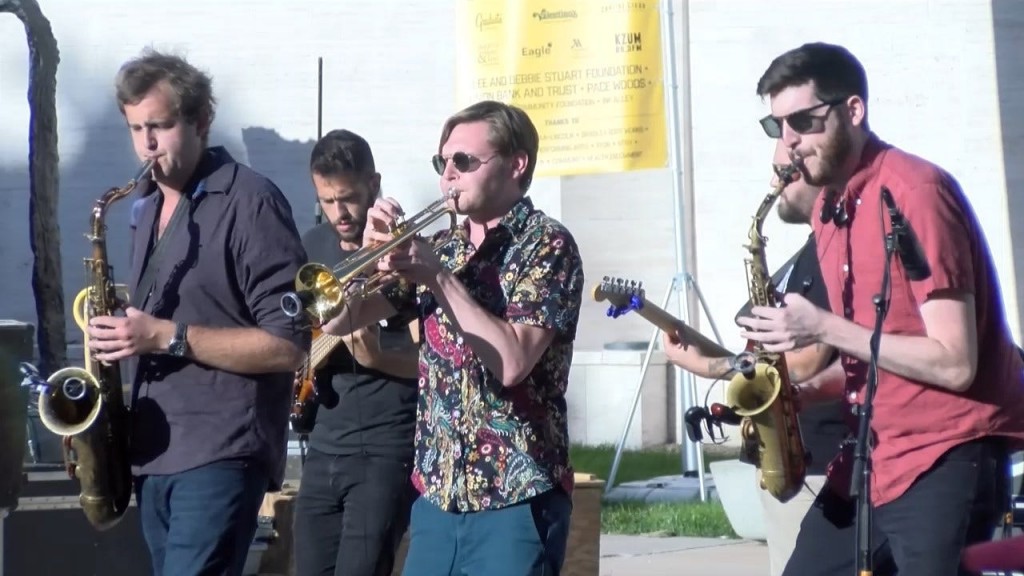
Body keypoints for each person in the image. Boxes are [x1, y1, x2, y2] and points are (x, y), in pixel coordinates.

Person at [738, 41, 1024, 576]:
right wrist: (800, 395)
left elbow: (954, 362)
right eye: (777, 125)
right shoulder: (829, 209)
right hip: (873, 453)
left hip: (945, 453)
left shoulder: (915, 192)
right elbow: (876, 357)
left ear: (853, 110)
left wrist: (823, 327)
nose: (789, 141)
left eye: (803, 121)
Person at [318, 100, 584, 576]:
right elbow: (339, 321)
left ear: (516, 164)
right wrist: (367, 258)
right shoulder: (444, 246)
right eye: (442, 163)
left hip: (515, 495)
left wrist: (438, 277)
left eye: (464, 161)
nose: (448, 176)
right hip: (438, 497)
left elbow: (512, 363)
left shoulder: (547, 245)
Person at [85, 49, 309, 576]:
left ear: (201, 120)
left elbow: (288, 344)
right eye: (136, 128)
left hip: (220, 448)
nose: (147, 144)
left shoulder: (251, 201)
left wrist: (165, 335)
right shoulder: (143, 206)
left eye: (160, 126)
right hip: (153, 450)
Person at [664, 140, 847, 576]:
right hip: (792, 457)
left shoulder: (834, 252)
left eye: (785, 173)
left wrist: (709, 367)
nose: (773, 184)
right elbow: (766, 362)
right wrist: (717, 356)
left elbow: (803, 364)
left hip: (817, 462)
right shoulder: (810, 251)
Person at [291, 128, 420, 576]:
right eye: (327, 201)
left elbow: (435, 362)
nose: (339, 213)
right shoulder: (311, 248)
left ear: (374, 184)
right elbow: (299, 333)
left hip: (386, 446)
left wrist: (378, 358)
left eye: (347, 198)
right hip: (324, 440)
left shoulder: (405, 255)